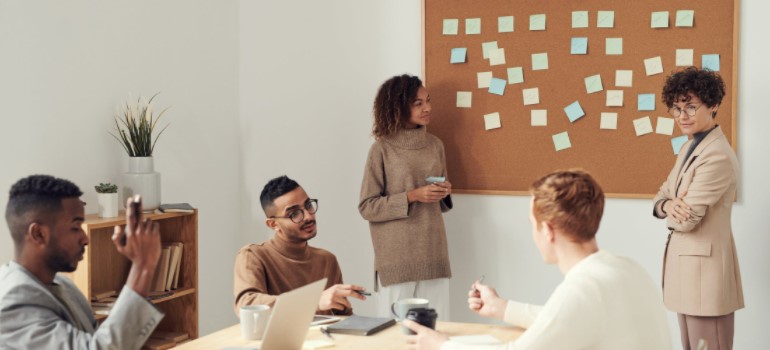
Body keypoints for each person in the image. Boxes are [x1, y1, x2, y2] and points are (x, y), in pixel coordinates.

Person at [405, 170, 672, 350]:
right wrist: (502, 308)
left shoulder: (585, 288)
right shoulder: (624, 268)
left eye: (533, 224)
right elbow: (561, 319)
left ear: (548, 230)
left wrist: (441, 344)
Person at [0, 175, 164, 349]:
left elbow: (94, 340)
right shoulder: (13, 301)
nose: (85, 239)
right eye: (76, 228)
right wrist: (143, 266)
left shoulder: (63, 284)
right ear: (38, 234)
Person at [652, 66, 743, 350]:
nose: (683, 116)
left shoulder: (716, 156)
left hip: (706, 275)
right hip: (688, 273)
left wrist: (671, 209)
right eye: (677, 109)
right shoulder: (689, 147)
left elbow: (687, 219)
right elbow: (661, 195)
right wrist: (667, 204)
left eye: (691, 107)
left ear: (713, 105)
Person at [359, 74, 453, 320]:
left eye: (427, 100)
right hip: (396, 260)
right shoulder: (381, 149)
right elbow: (368, 207)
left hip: (433, 253)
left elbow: (439, 204)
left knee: (438, 331)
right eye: (417, 103)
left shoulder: (435, 145)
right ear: (397, 106)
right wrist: (412, 195)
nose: (427, 108)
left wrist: (443, 192)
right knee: (394, 338)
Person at [233, 175, 366, 316]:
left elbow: (344, 319)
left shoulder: (327, 260)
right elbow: (246, 304)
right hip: (279, 339)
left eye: (308, 205)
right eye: (294, 213)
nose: (308, 216)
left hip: (324, 338)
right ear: (273, 224)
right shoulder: (253, 255)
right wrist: (313, 302)